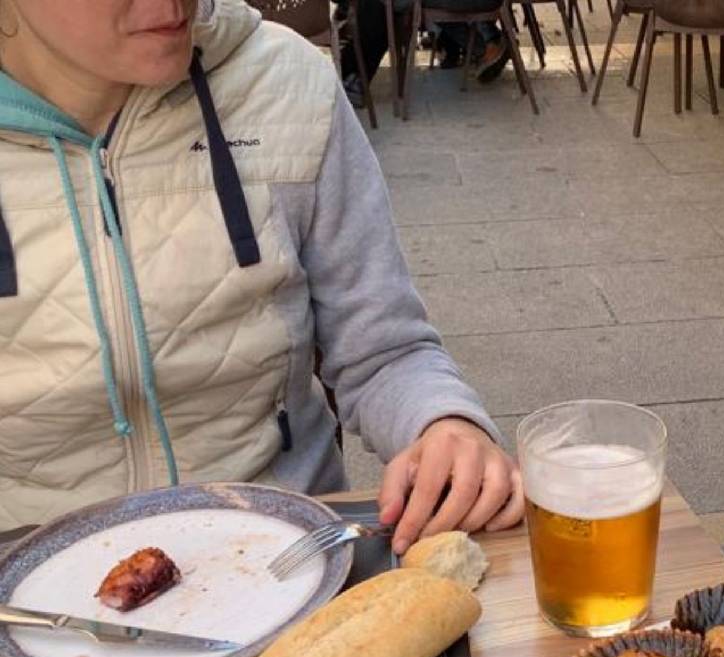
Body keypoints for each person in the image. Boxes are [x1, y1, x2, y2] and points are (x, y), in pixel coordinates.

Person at [0, 0, 523, 553]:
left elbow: (384, 352)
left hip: (290, 556)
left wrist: (444, 425)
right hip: (25, 583)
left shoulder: (285, 84)